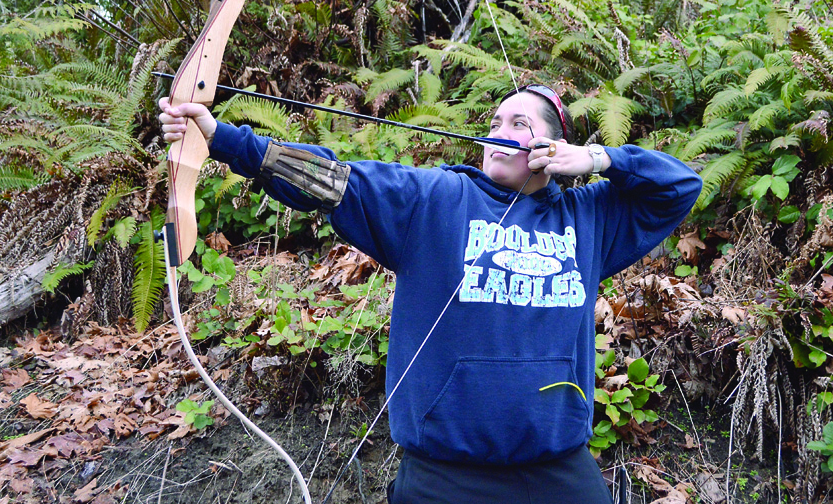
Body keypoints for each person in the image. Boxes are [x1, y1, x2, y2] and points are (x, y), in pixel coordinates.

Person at [159, 84, 702, 504]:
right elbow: (332, 180)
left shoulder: (589, 218)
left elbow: (681, 186)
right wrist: (222, 138)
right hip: (445, 473)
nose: (499, 130)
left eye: (520, 123)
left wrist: (600, 160)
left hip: (558, 470)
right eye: (495, 121)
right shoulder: (435, 198)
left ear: (551, 147)